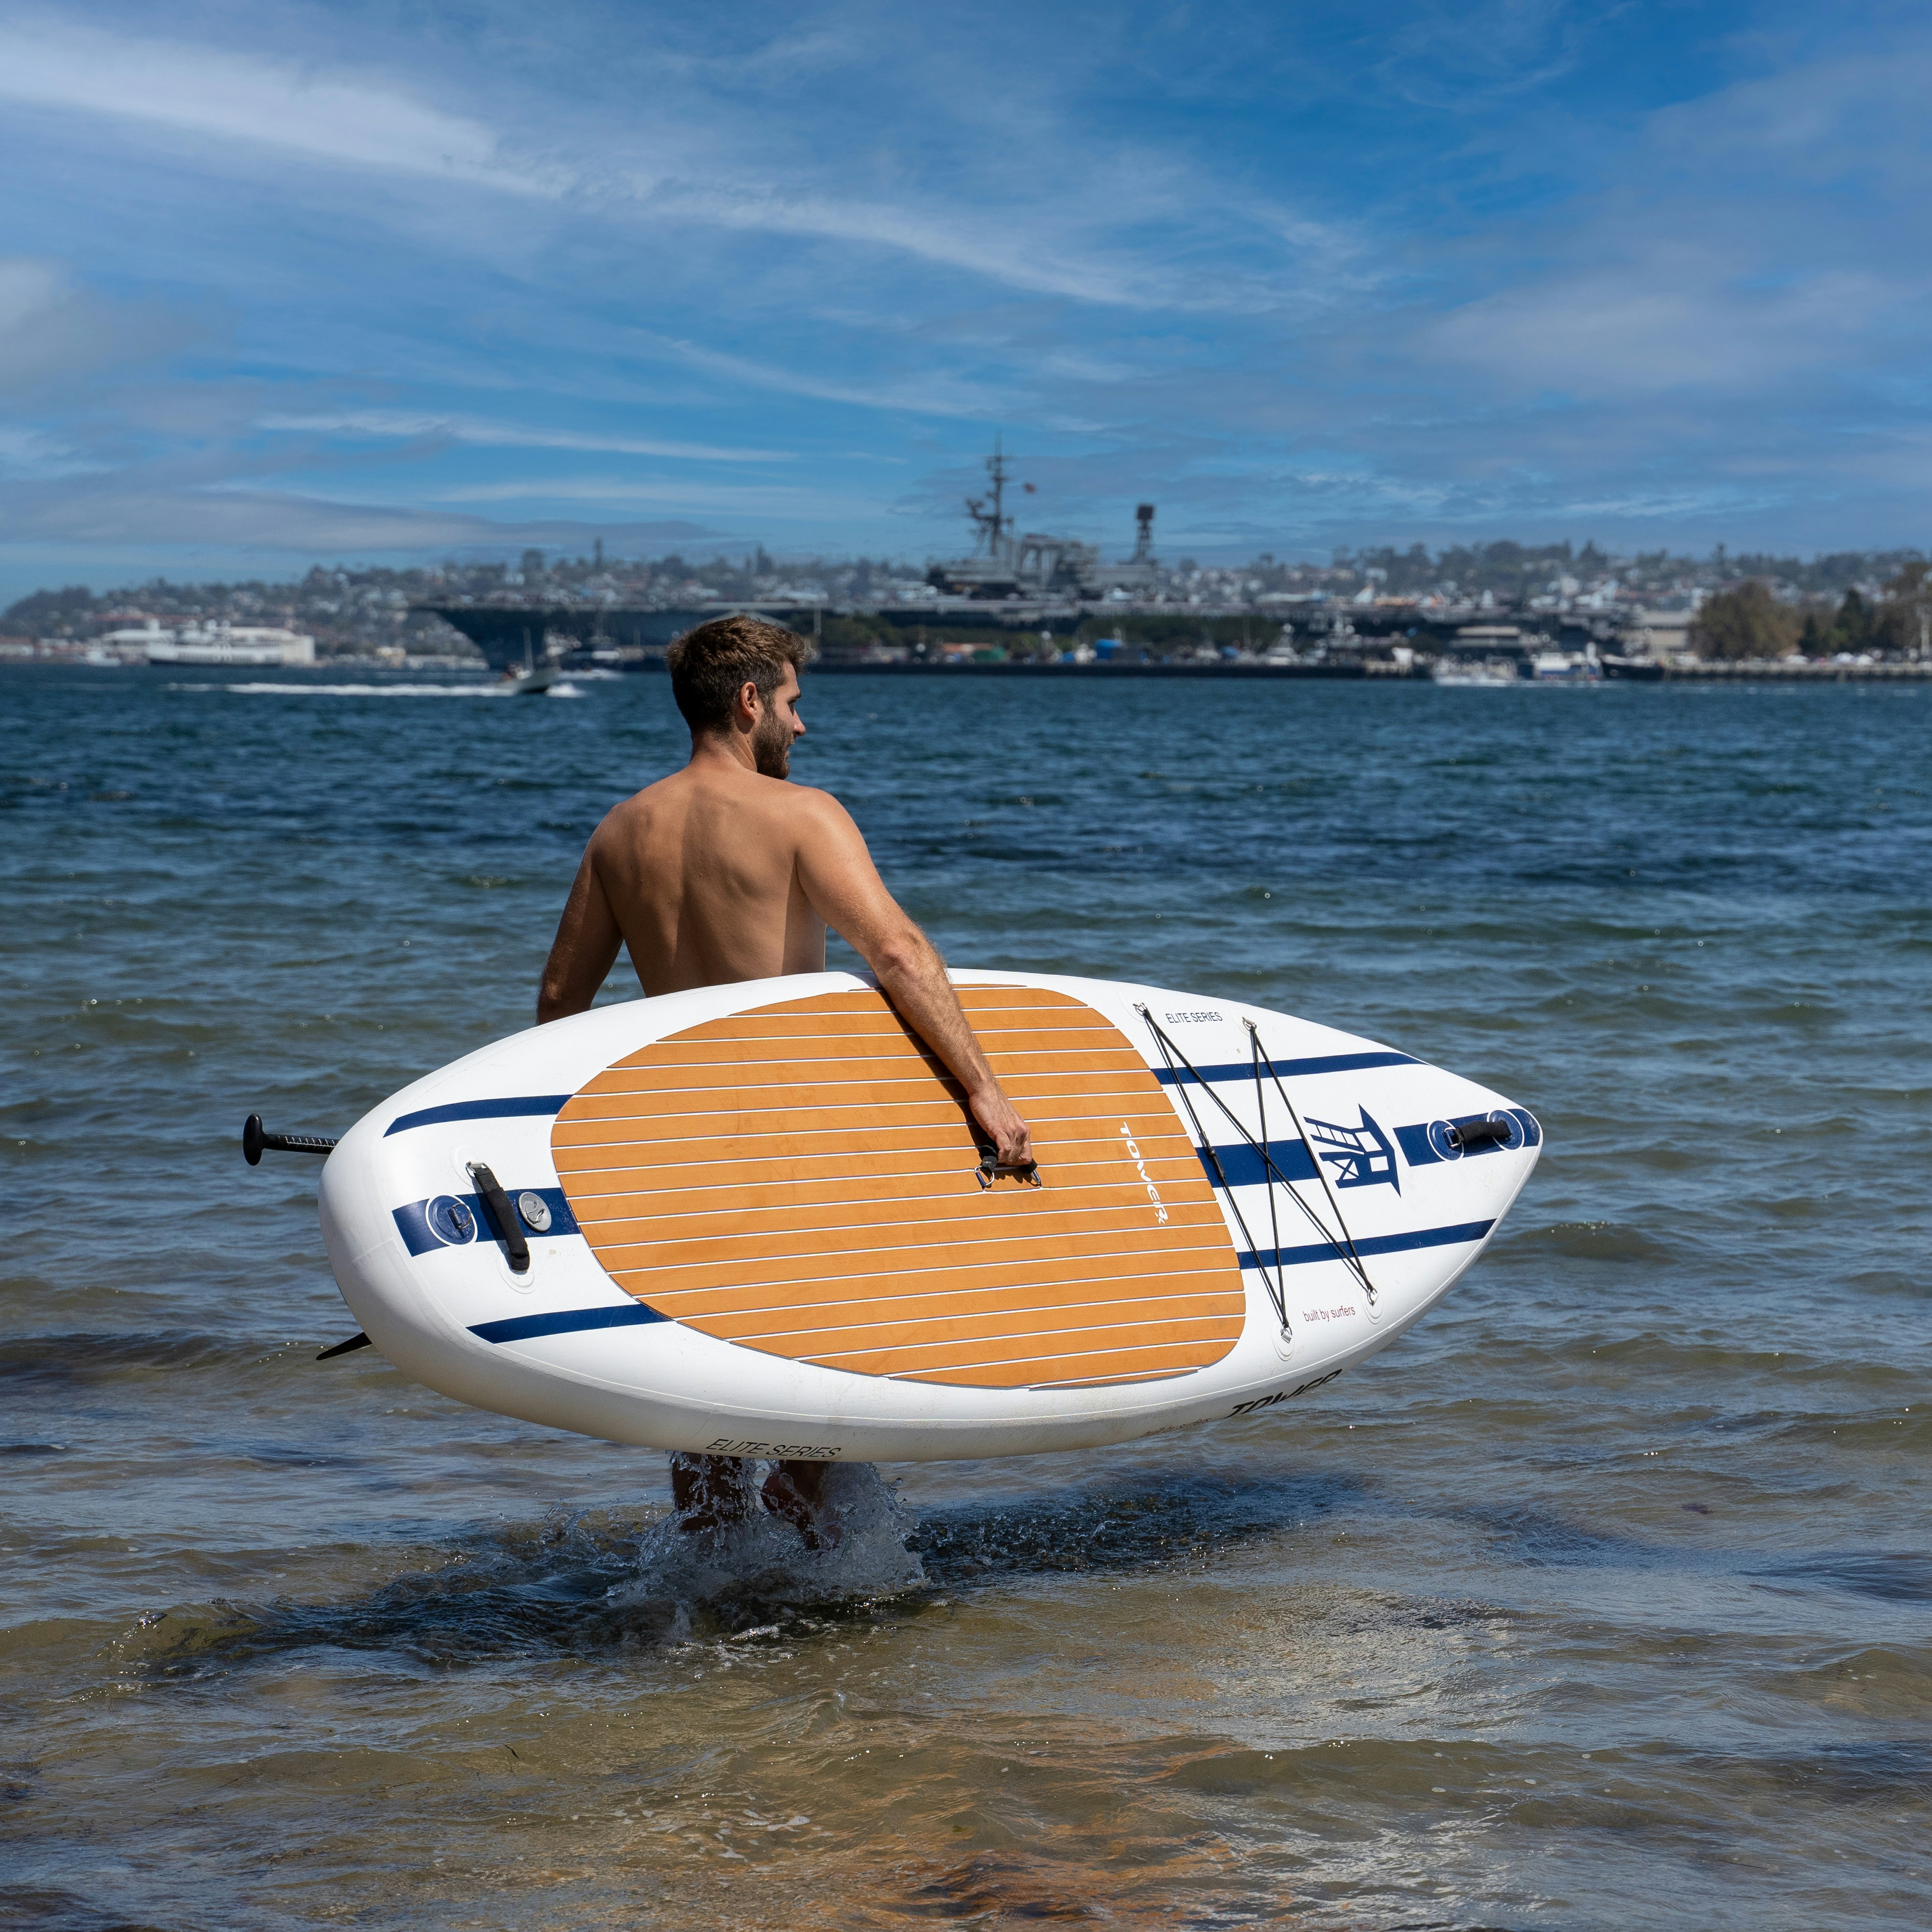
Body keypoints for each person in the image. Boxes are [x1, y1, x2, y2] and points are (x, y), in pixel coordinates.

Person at [535, 614, 1031, 1545]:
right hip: (785, 1134)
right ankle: (804, 1526)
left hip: (677, 1146)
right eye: (794, 704)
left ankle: (712, 1575)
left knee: (706, 1362)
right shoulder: (803, 815)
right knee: (835, 1334)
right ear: (749, 702)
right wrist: (983, 1088)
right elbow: (897, 952)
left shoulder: (621, 832)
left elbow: (562, 1003)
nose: (802, 725)